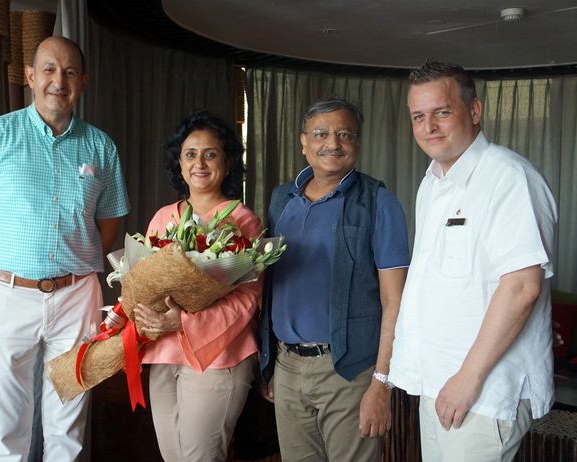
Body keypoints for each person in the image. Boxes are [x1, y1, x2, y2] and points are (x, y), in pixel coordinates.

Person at [0, 36, 129, 461]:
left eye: (69, 72)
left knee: (69, 425)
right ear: (30, 76)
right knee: (7, 428)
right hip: (5, 295)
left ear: (82, 81)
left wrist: (72, 267)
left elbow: (109, 225)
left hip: (76, 297)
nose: (58, 81)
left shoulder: (101, 146)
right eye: (48, 69)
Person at [389, 61, 557, 461]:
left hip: (482, 391)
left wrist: (468, 379)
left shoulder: (507, 176)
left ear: (475, 111)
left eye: (442, 112)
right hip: (438, 384)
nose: (429, 127)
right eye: (418, 117)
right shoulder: (432, 182)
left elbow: (522, 288)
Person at [258, 98, 410, 462]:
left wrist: (381, 383)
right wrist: (270, 364)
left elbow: (395, 301)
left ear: (358, 142)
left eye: (345, 134)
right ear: (303, 143)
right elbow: (269, 285)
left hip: (349, 371)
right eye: (321, 134)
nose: (333, 143)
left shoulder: (379, 202)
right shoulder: (281, 199)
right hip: (287, 366)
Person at [130, 111, 261, 462]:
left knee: (200, 456)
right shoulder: (163, 218)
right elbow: (144, 283)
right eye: (190, 154)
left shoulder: (242, 220)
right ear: (180, 162)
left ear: (228, 163)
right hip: (164, 354)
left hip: (219, 356)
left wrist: (184, 321)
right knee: (173, 457)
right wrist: (142, 315)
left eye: (210, 154)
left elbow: (247, 300)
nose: (199, 163)